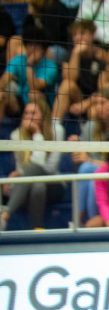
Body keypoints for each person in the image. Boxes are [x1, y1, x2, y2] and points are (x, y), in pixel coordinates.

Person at [0, 98, 65, 233]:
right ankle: (37, 230)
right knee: (37, 186)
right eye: (26, 113)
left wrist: (37, 135)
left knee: (36, 175)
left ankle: (5, 214)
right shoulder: (16, 134)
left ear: (43, 115)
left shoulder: (57, 130)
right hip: (31, 184)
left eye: (33, 113)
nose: (29, 117)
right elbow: (21, 166)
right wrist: (18, 174)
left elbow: (49, 167)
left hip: (54, 183)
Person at [0, 31, 59, 118]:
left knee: (33, 94)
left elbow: (34, 87)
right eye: (29, 45)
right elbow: (3, 81)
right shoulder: (18, 60)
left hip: (43, 105)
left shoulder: (51, 67)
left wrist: (29, 64)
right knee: (2, 94)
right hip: (20, 101)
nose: (32, 49)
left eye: (36, 46)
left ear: (43, 50)